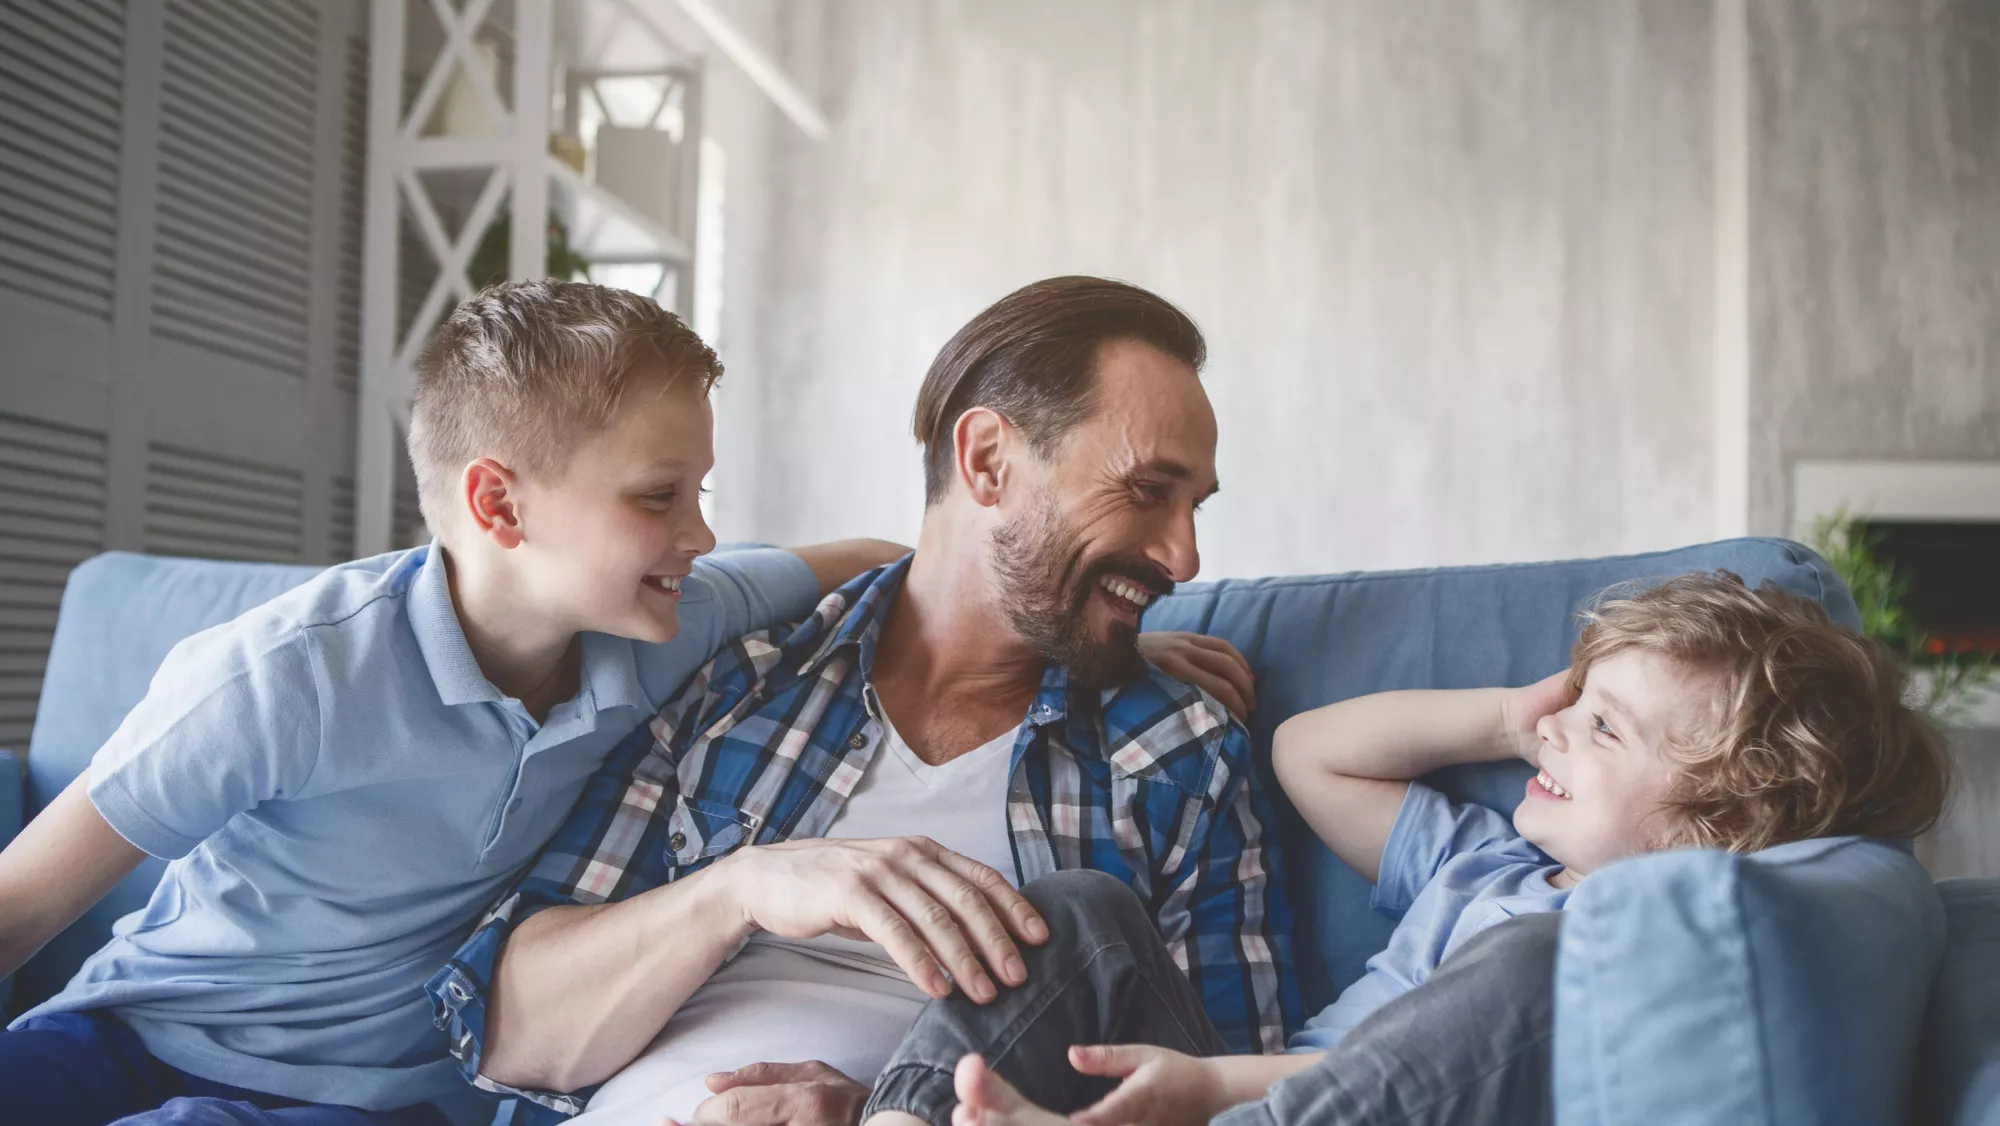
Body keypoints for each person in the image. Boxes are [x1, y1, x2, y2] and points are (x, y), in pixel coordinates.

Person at [0, 280, 913, 1126]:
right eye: (658, 496)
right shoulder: (287, 674)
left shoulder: (675, 619)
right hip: (135, 1034)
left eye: (699, 492)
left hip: (379, 1101)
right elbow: (21, 903)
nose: (701, 533)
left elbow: (874, 560)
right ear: (499, 505)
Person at [430, 277, 1300, 1126]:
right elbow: (509, 1034)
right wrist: (740, 888)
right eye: (1148, 491)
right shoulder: (739, 682)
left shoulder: (1176, 754)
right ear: (987, 461)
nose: (1185, 558)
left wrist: (879, 1107)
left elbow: (1234, 1096)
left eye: (1194, 506)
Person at [860, 571, 1952, 1126]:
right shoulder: (1480, 862)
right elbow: (1307, 755)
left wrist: (1211, 1090)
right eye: (1575, 702)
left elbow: (1439, 1082)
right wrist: (1507, 718)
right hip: (1221, 1096)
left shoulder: (1615, 968)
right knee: (1085, 907)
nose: (1559, 730)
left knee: (1533, 960)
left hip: (1272, 1107)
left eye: (1606, 728)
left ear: (1713, 826)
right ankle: (909, 1114)